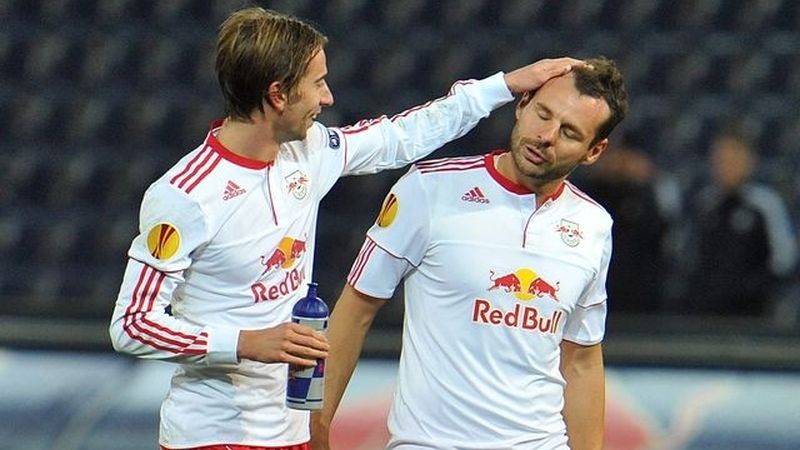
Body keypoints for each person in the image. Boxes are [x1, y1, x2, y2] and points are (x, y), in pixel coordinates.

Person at [107, 6, 587, 450]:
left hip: (290, 427)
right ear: (278, 95)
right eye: (317, 83)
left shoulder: (309, 151)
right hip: (211, 433)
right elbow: (131, 325)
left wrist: (503, 86)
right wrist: (245, 342)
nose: (328, 97)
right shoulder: (187, 195)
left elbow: (401, 136)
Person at [312, 57, 628, 450]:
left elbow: (581, 359)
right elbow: (356, 310)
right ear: (522, 104)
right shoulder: (429, 189)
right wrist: (317, 426)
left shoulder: (593, 225)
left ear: (594, 150)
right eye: (543, 114)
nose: (546, 136)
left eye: (569, 132)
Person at [678, 128, 797, 317]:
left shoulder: (766, 204)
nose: (726, 167)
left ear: (749, 162)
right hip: (706, 312)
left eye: (733, 159)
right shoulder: (705, 204)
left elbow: (784, 260)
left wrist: (754, 289)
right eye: (721, 160)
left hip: (752, 314)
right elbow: (688, 255)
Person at [578, 131, 682, 314]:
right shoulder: (588, 194)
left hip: (642, 298)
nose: (620, 162)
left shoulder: (652, 193)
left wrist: (642, 185)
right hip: (594, 293)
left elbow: (664, 236)